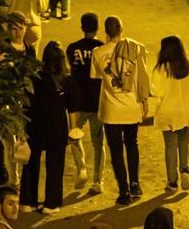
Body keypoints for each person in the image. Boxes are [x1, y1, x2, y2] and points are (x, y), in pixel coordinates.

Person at [91, 15, 151, 205]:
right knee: (132, 145)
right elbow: (142, 74)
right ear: (121, 29)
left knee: (116, 151)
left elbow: (95, 77)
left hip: (111, 109)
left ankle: (123, 191)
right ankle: (135, 184)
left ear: (105, 32)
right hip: (132, 106)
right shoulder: (136, 47)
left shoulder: (98, 52)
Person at [20, 42, 71, 213]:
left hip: (36, 124)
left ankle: (28, 201)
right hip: (57, 126)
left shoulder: (35, 78)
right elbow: (71, 106)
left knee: (31, 163)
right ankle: (52, 203)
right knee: (55, 165)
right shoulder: (65, 79)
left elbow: (26, 103)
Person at [152, 35, 189, 191]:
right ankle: (185, 171)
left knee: (170, 147)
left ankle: (172, 182)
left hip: (167, 112)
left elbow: (156, 91)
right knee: (184, 143)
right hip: (186, 110)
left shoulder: (161, 69)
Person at [66, 13, 105, 196]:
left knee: (74, 137)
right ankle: (98, 180)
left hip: (78, 101)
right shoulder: (103, 48)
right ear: (97, 28)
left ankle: (81, 167)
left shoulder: (72, 49)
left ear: (82, 27)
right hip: (97, 101)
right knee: (98, 143)